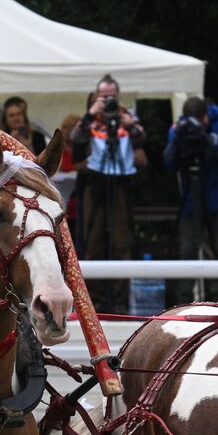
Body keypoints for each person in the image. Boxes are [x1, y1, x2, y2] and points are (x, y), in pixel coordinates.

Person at [71, 74, 147, 308]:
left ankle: (121, 301)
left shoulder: (127, 116)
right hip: (96, 182)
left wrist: (128, 122)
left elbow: (141, 138)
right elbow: (76, 138)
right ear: (96, 96)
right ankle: (95, 302)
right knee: (93, 243)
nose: (108, 100)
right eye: (104, 96)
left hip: (121, 183)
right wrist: (92, 112)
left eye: (112, 96)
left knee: (121, 243)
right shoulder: (91, 119)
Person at [164, 97, 218, 303]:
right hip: (191, 198)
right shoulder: (179, 128)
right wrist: (179, 138)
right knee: (187, 250)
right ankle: (182, 302)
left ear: (206, 116)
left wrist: (205, 140)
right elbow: (169, 163)